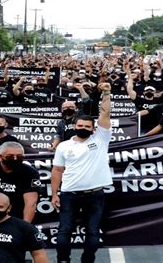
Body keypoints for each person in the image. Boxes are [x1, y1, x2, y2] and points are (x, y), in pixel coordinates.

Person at [51, 82, 112, 263]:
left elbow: (105, 113)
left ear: (94, 129)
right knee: (64, 231)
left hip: (95, 194)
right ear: (74, 126)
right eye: (80, 125)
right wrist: (54, 194)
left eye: (87, 126)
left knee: (93, 233)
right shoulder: (63, 145)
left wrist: (107, 93)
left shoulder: (101, 139)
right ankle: (63, 260)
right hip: (69, 194)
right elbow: (57, 170)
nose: (83, 128)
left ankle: (88, 260)